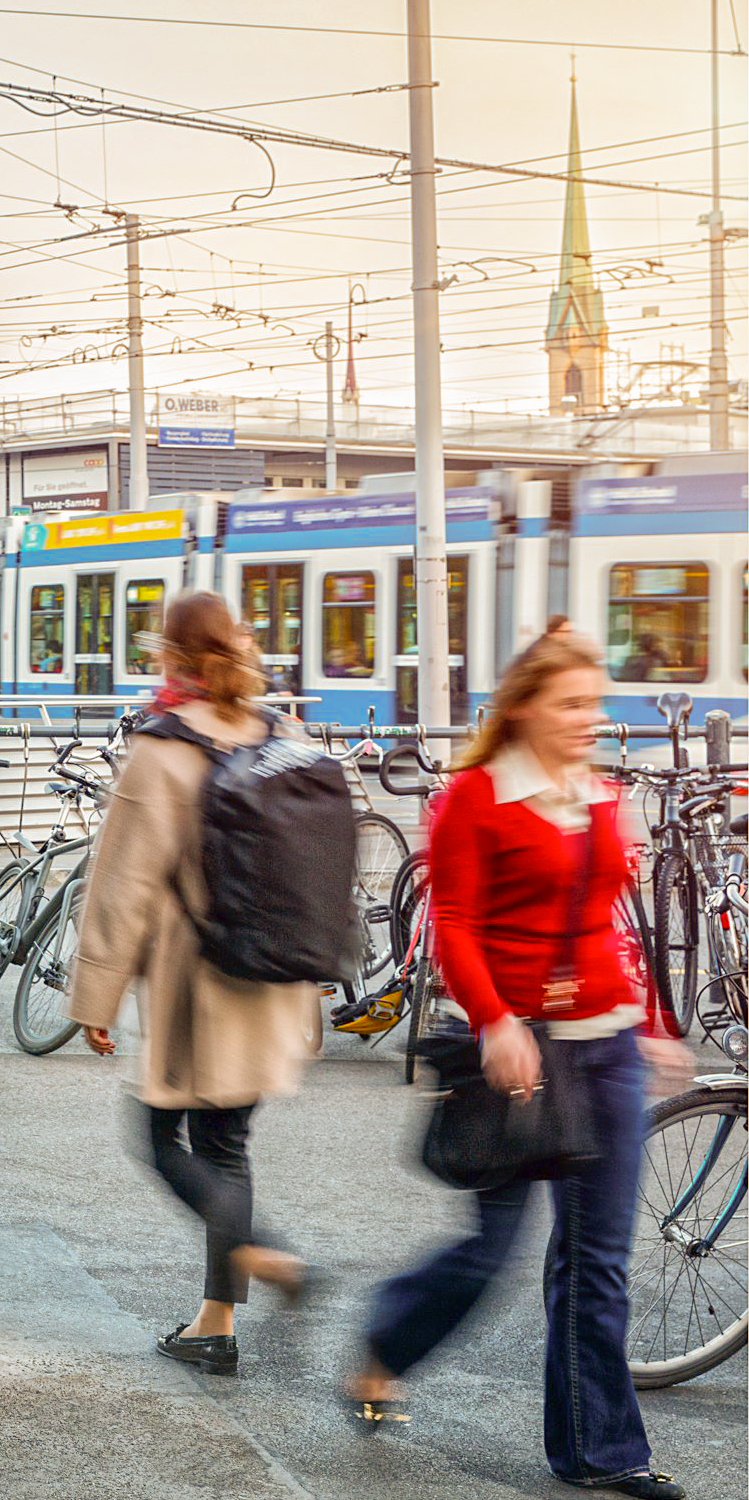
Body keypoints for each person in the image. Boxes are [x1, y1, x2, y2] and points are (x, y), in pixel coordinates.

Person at [348, 633, 692, 1500]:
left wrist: (651, 1023)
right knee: (486, 1255)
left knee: (597, 1260)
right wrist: (498, 1022)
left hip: (605, 1043)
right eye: (573, 704)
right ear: (525, 706)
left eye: (596, 702)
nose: (591, 719)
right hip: (521, 1049)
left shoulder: (603, 795)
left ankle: (601, 1453)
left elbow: (619, 922)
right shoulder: (477, 796)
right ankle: (387, 1341)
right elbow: (453, 923)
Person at [65, 591, 316, 1378]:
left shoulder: (162, 750)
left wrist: (94, 1000)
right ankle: (215, 1325)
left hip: (197, 991)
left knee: (157, 1141)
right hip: (274, 979)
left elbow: (121, 891)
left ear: (167, 657)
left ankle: (265, 1253)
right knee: (226, 1147)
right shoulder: (282, 735)